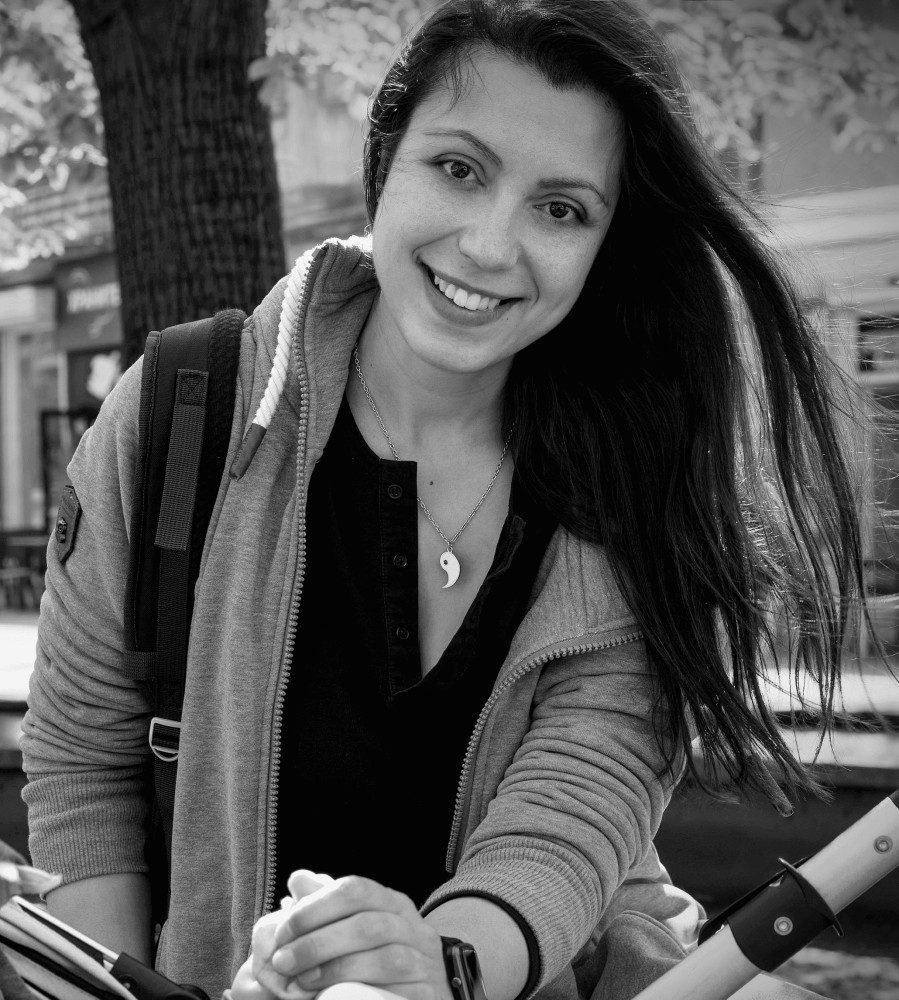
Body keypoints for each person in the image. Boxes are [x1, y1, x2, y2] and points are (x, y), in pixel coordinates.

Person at [21, 1, 866, 999]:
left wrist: (440, 968)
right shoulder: (180, 411)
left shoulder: (643, 480)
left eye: (561, 210)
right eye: (458, 168)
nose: (489, 245)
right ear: (385, 162)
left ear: (606, 244)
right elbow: (84, 770)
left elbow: (573, 813)